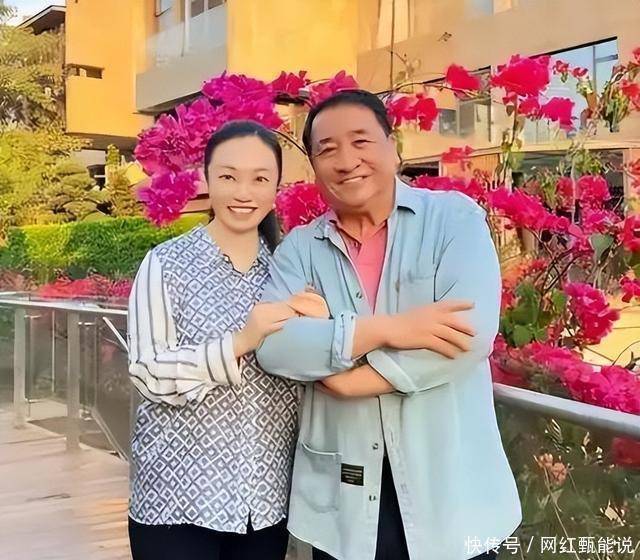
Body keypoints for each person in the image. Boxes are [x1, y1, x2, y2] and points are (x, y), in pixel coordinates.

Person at [256, 90, 522, 560]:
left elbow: (470, 334)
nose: (346, 161)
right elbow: (274, 347)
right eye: (327, 149)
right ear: (313, 166)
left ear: (393, 147)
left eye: (361, 141)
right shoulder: (300, 250)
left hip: (452, 497)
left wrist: (348, 378)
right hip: (344, 502)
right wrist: (392, 329)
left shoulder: (454, 221)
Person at [127, 120, 301, 560]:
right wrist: (240, 342)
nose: (244, 192)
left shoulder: (289, 272)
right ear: (206, 179)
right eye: (228, 176)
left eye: (260, 179)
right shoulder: (165, 263)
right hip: (177, 503)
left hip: (264, 502)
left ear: (276, 187)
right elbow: (148, 372)